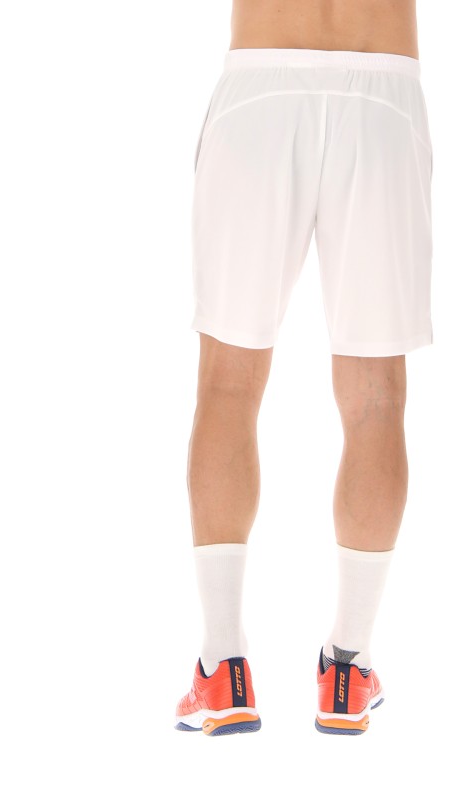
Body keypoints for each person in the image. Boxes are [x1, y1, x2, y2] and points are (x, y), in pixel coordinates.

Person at [175, 0, 433, 736]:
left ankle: (222, 670)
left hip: (262, 85)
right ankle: (347, 668)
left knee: (228, 382)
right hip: (381, 89)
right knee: (376, 397)